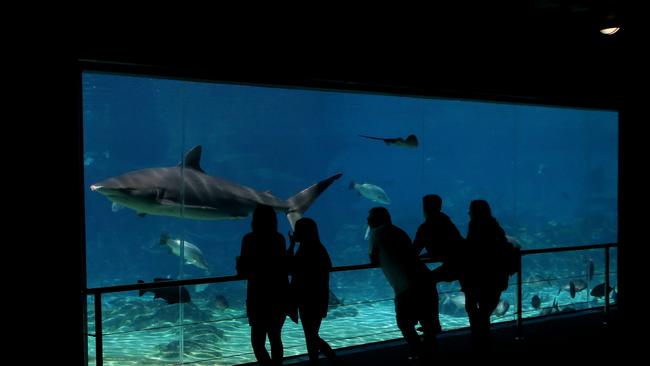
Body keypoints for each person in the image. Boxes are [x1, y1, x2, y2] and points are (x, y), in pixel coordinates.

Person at [367, 206, 440, 362]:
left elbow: (373, 258)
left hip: (406, 287)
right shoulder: (399, 231)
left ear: (379, 219)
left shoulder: (376, 233)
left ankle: (419, 353)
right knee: (427, 325)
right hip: (424, 281)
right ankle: (429, 355)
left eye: (371, 217)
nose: (368, 220)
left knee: (404, 322)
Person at [236, 204, 289, 366]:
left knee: (257, 342)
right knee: (275, 338)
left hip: (257, 295)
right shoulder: (279, 238)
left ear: (254, 220)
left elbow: (243, 271)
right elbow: (280, 266)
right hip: (278, 294)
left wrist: (239, 262)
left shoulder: (249, 238)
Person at [459, 199, 512, 352]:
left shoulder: (475, 225)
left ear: (476, 212)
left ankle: (480, 341)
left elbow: (471, 247)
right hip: (496, 277)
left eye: (471, 210)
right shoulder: (496, 227)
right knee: (484, 311)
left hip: (480, 276)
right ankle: (484, 340)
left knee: (475, 309)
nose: (468, 212)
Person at [287, 217, 341, 365]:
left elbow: (289, 267)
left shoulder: (306, 249)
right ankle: (318, 361)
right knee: (311, 335)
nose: (294, 232)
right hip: (318, 298)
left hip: (308, 299)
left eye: (297, 230)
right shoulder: (318, 247)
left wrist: (291, 245)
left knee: (311, 336)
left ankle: (334, 360)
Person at [413, 194, 463, 262]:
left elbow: (414, 251)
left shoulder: (425, 228)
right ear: (439, 207)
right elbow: (459, 242)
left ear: (425, 208)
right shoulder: (447, 222)